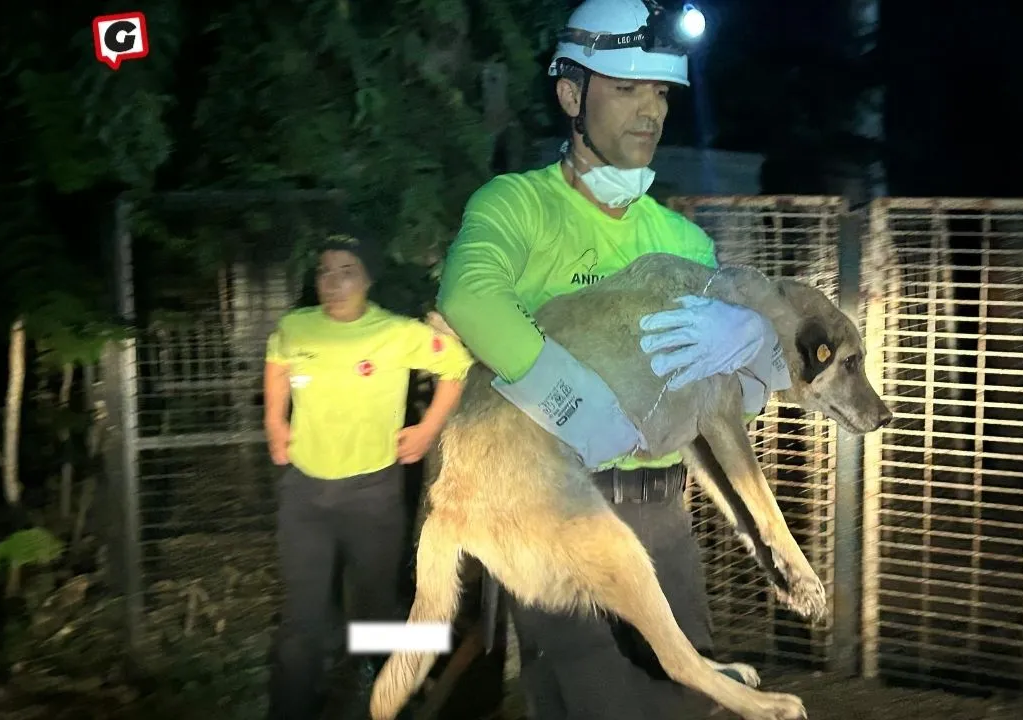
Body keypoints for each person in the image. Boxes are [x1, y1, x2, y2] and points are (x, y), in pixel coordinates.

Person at [434, 0, 790, 717]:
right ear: (571, 94)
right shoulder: (517, 205)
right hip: (552, 508)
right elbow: (469, 297)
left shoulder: (682, 239)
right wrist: (573, 401)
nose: (649, 111)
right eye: (625, 89)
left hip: (663, 513)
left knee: (673, 704)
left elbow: (734, 399)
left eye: (658, 93)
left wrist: (752, 348)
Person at [263, 224, 474, 720]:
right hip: (305, 495)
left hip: (372, 495)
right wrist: (275, 419)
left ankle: (387, 699)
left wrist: (427, 429)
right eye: (325, 271)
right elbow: (277, 363)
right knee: (303, 617)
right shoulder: (296, 327)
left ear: (368, 279)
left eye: (347, 271)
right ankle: (292, 706)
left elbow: (457, 366)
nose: (332, 281)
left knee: (376, 608)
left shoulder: (397, 333)